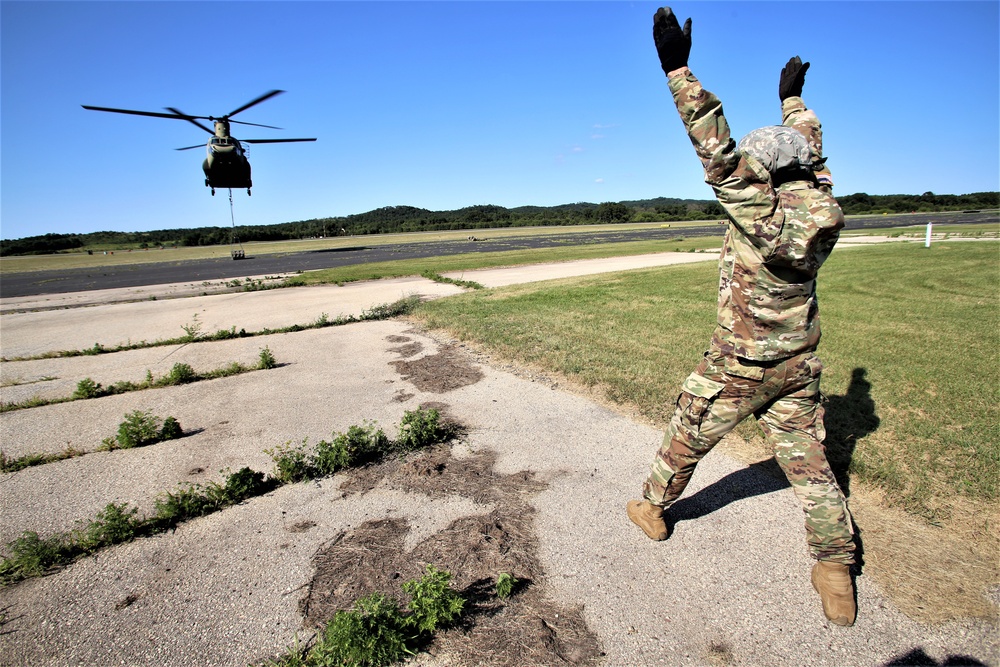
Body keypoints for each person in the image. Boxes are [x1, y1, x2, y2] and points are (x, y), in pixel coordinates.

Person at [626, 7, 858, 627]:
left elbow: (716, 149)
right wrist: (794, 102)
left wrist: (677, 70)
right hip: (798, 364)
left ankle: (652, 508)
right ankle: (835, 567)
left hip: (740, 361)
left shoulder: (759, 210)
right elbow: (814, 153)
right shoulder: (823, 203)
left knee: (688, 428)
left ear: (764, 172)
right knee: (811, 467)